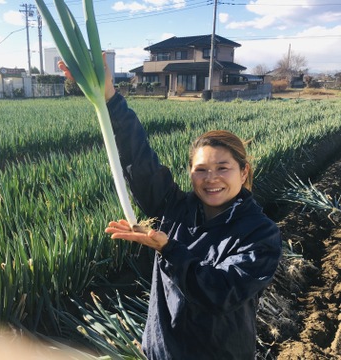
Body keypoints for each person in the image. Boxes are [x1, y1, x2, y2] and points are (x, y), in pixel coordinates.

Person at [59, 57, 282, 360]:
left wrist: (170, 249)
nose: (211, 179)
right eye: (201, 169)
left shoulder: (260, 233)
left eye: (223, 168)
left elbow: (221, 292)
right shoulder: (176, 209)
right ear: (190, 173)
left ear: (243, 173)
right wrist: (109, 98)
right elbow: (139, 159)